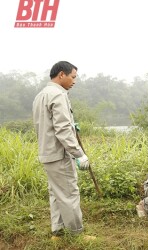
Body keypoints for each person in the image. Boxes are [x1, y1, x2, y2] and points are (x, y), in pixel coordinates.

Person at [32, 61, 95, 240]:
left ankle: (58, 232)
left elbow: (48, 125)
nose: (74, 81)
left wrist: (70, 125)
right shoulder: (58, 95)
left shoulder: (41, 95)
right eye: (72, 77)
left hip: (46, 153)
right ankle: (77, 234)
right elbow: (62, 130)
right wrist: (79, 154)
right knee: (69, 193)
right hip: (59, 155)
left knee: (56, 193)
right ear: (61, 74)